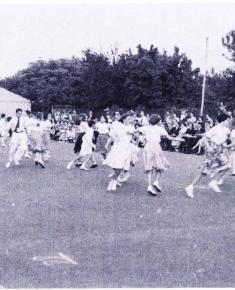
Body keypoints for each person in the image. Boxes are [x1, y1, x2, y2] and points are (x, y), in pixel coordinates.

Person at [185, 114, 231, 198]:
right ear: (224, 121)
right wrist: (209, 148)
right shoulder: (215, 128)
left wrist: (224, 144)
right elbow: (205, 138)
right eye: (228, 120)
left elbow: (224, 140)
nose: (229, 122)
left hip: (219, 150)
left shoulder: (226, 130)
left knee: (227, 166)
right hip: (212, 149)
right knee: (204, 171)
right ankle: (190, 187)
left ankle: (214, 182)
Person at [138, 114, 182, 196]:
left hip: (147, 147)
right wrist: (177, 139)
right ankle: (156, 181)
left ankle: (150, 186)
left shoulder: (146, 127)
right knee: (161, 165)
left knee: (149, 167)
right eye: (160, 121)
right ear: (158, 121)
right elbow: (169, 138)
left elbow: (135, 131)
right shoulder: (160, 129)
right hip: (156, 147)